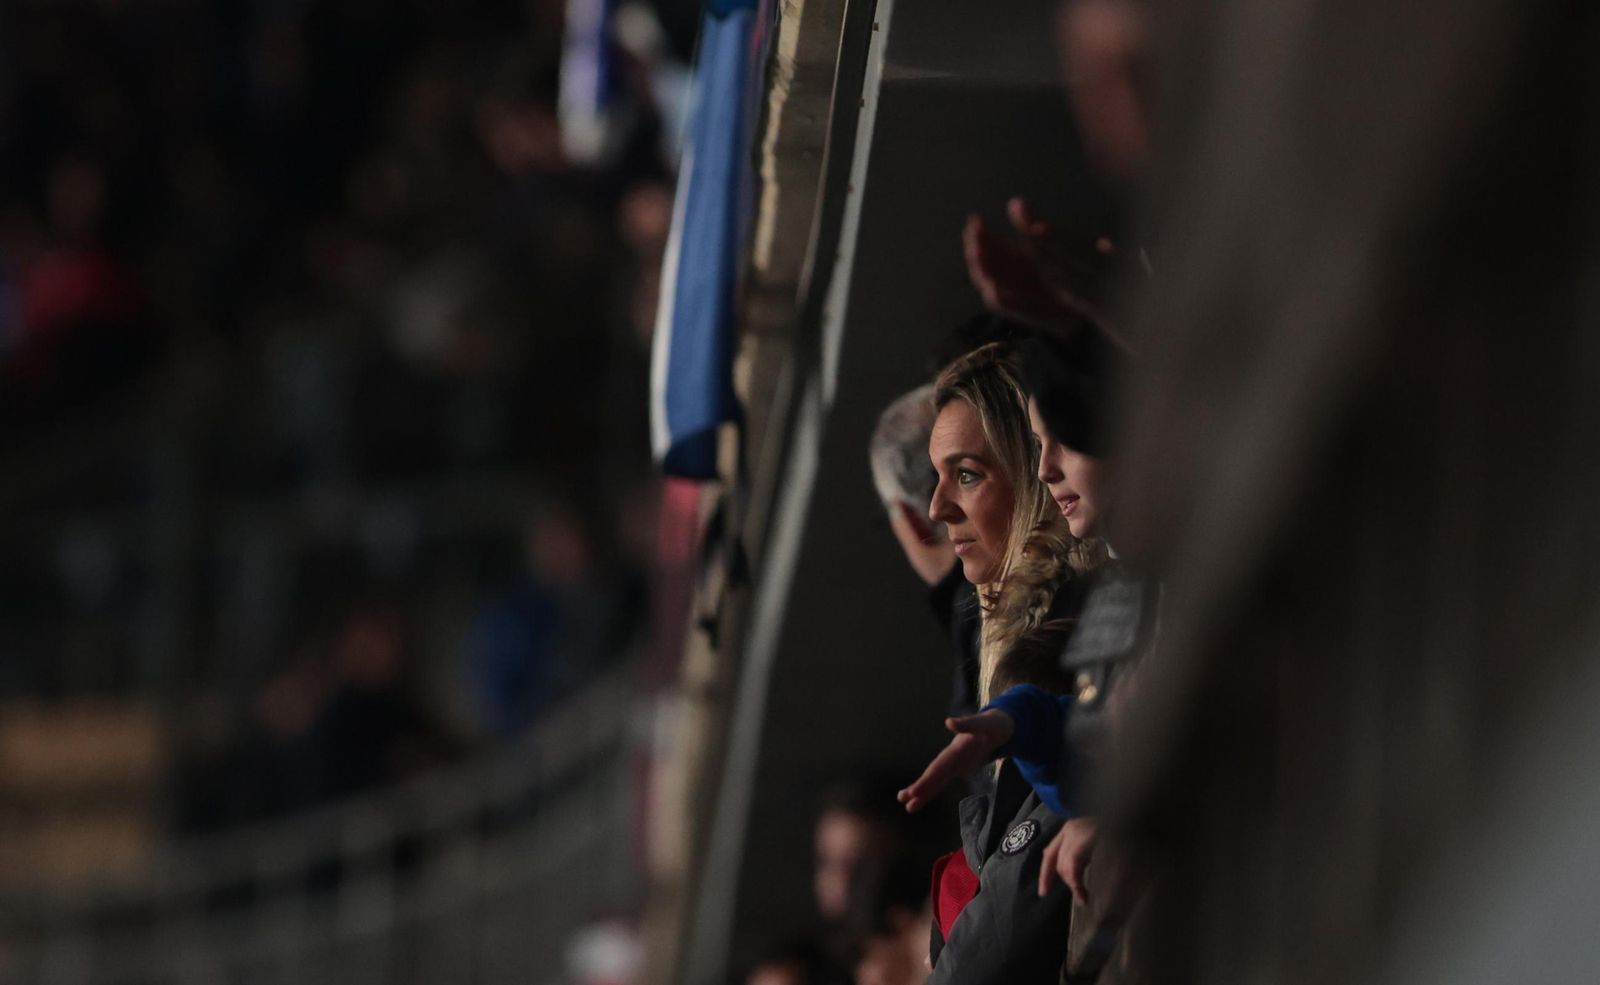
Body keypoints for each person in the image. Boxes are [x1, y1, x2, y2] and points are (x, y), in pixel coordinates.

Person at [912, 342, 1102, 984]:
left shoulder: (1072, 637)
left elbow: (1012, 925)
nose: (938, 508)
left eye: (966, 474)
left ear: (1033, 473)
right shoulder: (1007, 639)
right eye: (936, 478)